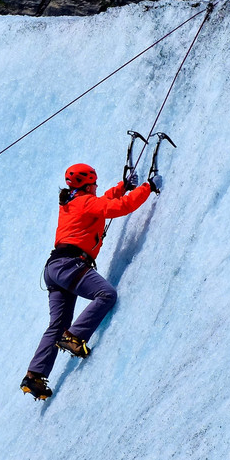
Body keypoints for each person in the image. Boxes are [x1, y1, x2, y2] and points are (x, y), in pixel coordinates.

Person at [20, 162, 163, 400]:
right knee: (106, 294)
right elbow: (119, 207)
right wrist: (148, 187)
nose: (97, 185)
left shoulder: (72, 201)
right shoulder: (85, 201)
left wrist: (123, 186)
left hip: (54, 269)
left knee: (58, 323)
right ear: (87, 184)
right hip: (70, 265)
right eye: (94, 182)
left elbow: (104, 202)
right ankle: (75, 337)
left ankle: (34, 376)